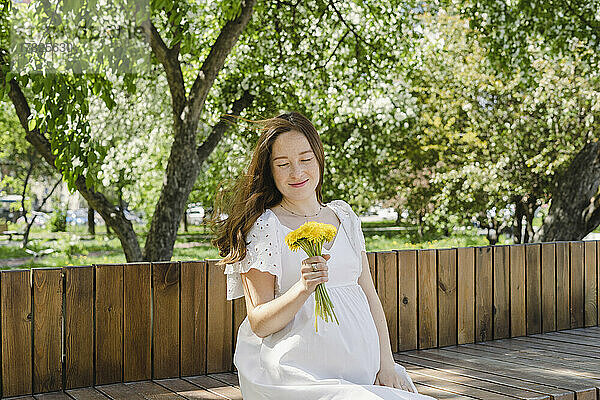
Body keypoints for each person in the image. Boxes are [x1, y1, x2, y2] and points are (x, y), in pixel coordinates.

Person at [211, 112, 437, 400]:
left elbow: (368, 295)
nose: (297, 172)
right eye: (283, 164)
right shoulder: (265, 227)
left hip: (364, 374)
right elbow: (260, 322)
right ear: (270, 170)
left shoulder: (344, 216)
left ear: (318, 158)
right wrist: (303, 288)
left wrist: (387, 364)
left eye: (305, 160)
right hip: (298, 377)